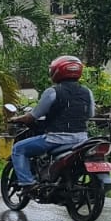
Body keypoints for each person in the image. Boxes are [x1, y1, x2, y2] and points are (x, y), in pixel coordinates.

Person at [11, 55, 94, 189]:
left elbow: (33, 116)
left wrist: (17, 119)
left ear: (56, 71)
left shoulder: (52, 92)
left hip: (55, 139)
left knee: (18, 149)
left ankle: (27, 183)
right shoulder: (87, 92)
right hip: (81, 140)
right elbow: (90, 114)